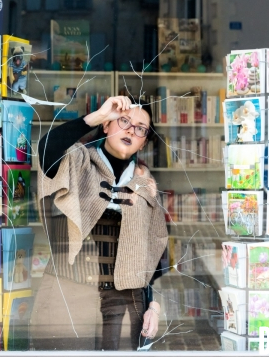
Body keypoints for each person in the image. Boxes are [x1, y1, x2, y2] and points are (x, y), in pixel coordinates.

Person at [31, 95, 168, 351]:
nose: (130, 130)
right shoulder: (76, 162)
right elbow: (47, 147)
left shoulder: (146, 186)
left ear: (144, 142)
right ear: (106, 126)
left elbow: (158, 255)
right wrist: (98, 116)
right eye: (123, 121)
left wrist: (155, 308)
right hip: (70, 295)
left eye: (140, 129)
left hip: (127, 306)